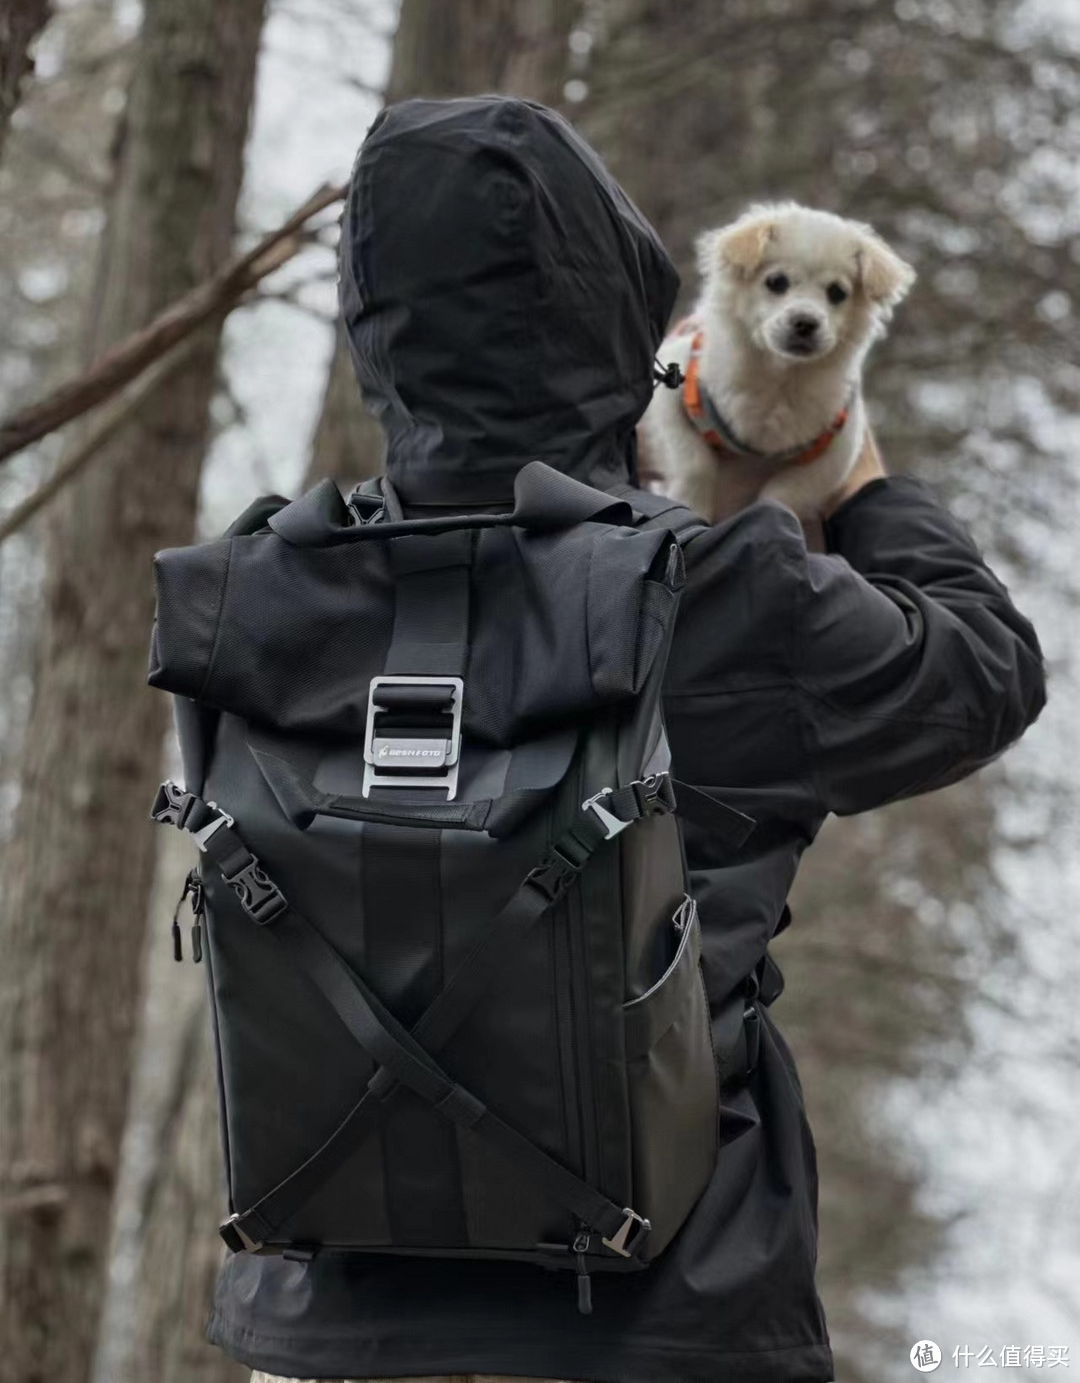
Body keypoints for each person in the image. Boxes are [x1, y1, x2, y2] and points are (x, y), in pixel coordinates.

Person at [207, 95, 1046, 1383]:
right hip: (663, 1310)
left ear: (376, 325)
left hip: (329, 1319)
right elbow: (987, 673)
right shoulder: (714, 594)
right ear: (615, 325)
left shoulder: (260, 596)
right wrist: (862, 477)